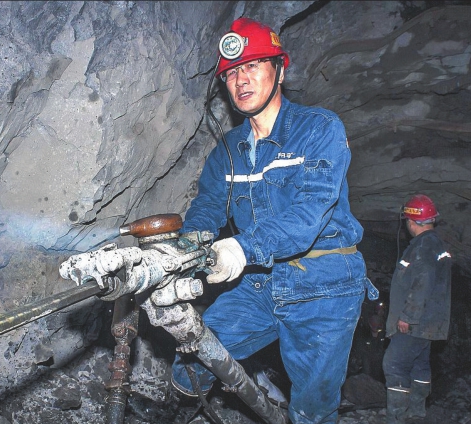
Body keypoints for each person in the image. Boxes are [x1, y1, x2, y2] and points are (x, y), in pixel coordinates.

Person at [170, 17, 377, 424]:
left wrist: (240, 248)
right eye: (231, 73)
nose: (241, 79)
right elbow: (209, 205)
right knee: (191, 360)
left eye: (252, 65)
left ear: (279, 70)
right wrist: (186, 248)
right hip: (261, 281)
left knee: (312, 409)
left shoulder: (319, 129)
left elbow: (309, 213)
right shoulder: (228, 150)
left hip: (325, 283)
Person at [382, 194, 452, 424]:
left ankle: (397, 418)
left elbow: (423, 279)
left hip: (415, 321)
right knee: (419, 365)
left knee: (394, 363)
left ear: (411, 221)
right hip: (428, 321)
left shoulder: (423, 246)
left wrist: (407, 316)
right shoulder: (435, 244)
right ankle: (417, 414)